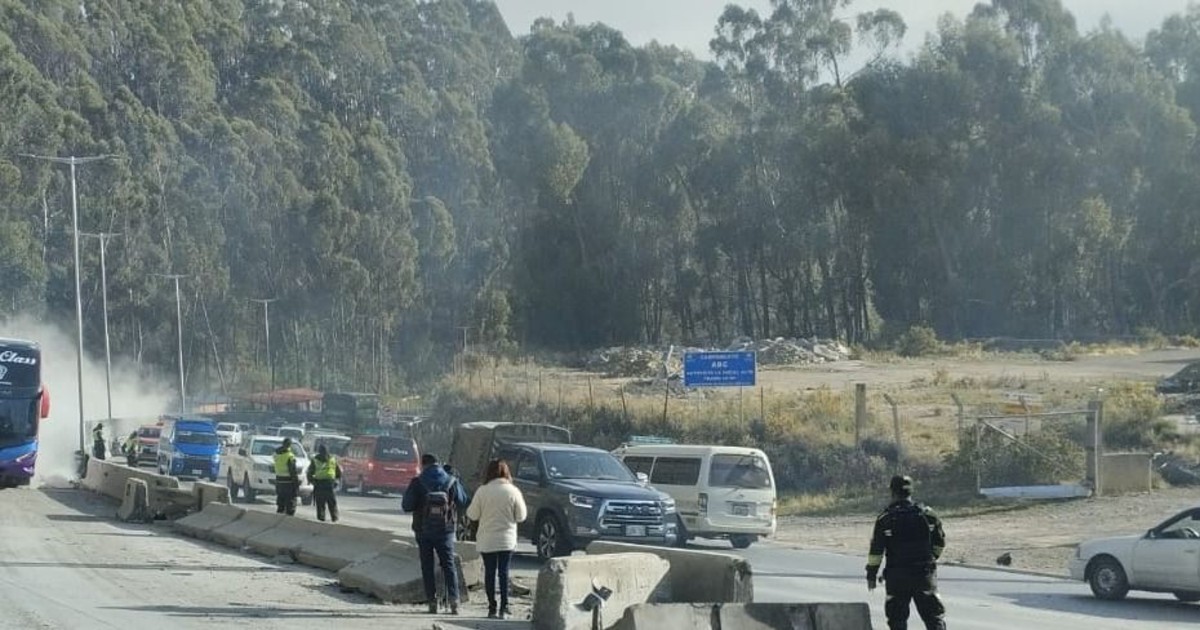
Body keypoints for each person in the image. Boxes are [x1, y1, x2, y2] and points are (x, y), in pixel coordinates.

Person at [866, 475, 947, 630]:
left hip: (897, 577)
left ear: (892, 492)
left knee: (897, 621)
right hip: (924, 575)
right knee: (934, 619)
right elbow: (939, 543)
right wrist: (931, 559)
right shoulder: (928, 515)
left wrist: (871, 575)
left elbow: (876, 551)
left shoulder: (885, 518)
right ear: (911, 491)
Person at [402, 453, 468, 615]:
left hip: (423, 530)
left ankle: (432, 602)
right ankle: (454, 601)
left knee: (427, 565)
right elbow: (463, 501)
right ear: (438, 463)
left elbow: (406, 506)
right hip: (445, 530)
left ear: (423, 464)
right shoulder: (451, 480)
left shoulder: (417, 481)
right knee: (448, 564)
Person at [465, 459, 527, 619]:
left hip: (487, 539)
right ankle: (504, 607)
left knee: (490, 572)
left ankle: (492, 607)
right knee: (504, 572)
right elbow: (521, 516)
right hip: (507, 539)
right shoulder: (513, 491)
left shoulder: (482, 491)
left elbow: (472, 514)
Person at [306, 444, 342, 522]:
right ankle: (334, 517)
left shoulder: (315, 460)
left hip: (320, 483)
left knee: (320, 503)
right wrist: (336, 481)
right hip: (329, 483)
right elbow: (339, 472)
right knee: (331, 502)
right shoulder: (332, 459)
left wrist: (312, 481)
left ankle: (321, 518)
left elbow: (309, 473)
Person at [273, 437, 300, 516]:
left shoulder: (276, 454)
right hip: (288, 482)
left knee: (281, 503)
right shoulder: (289, 456)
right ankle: (288, 519)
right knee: (290, 504)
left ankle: (279, 518)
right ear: (290, 445)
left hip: (279, 480)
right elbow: (293, 471)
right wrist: (296, 484)